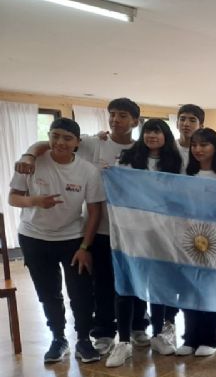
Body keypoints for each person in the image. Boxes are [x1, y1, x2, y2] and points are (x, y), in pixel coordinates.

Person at [15, 97, 149, 355]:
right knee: (101, 284)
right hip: (99, 228)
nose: (115, 120)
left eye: (122, 115)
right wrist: (29, 153)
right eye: (112, 114)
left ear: (134, 121)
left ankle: (137, 325)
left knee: (134, 279)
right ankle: (103, 332)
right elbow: (54, 143)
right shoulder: (92, 142)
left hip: (133, 230)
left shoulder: (141, 148)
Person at [8, 118, 105, 363]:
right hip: (33, 238)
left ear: (77, 143)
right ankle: (58, 338)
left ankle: (84, 340)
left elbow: (94, 212)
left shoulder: (87, 171)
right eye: (55, 136)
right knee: (48, 293)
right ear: (49, 137)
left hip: (72, 239)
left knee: (81, 293)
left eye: (67, 138)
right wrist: (34, 201)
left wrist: (85, 246)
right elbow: (13, 198)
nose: (60, 142)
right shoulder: (31, 163)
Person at [105, 119, 183, 367]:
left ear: (166, 136)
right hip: (130, 232)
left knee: (159, 285)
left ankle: (159, 334)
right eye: (148, 131)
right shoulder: (128, 158)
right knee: (126, 285)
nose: (152, 136)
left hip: (162, 233)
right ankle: (124, 341)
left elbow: (181, 194)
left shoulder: (175, 161)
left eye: (157, 132)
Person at [177, 128, 216, 357]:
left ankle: (211, 338)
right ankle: (190, 337)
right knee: (190, 290)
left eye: (204, 145)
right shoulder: (185, 176)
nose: (198, 149)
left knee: (212, 290)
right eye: (194, 145)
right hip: (189, 241)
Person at [176, 104, 205, 169]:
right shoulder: (169, 147)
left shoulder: (205, 151)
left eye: (192, 120)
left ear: (201, 126)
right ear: (177, 124)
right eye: (182, 119)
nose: (186, 124)